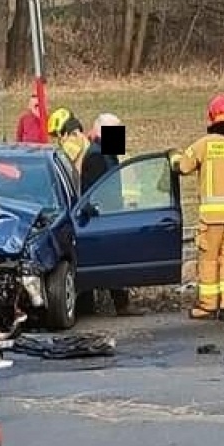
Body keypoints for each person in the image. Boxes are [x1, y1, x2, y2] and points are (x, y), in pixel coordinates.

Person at [171, 93, 224, 322]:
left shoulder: (204, 145)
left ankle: (208, 305)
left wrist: (172, 158)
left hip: (211, 218)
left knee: (208, 260)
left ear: (210, 118)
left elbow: (182, 166)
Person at [80, 113, 139, 315]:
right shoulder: (97, 155)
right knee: (110, 259)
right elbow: (98, 189)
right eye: (116, 131)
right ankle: (118, 304)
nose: (119, 136)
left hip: (107, 215)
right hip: (103, 217)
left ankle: (104, 304)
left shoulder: (104, 151)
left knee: (109, 259)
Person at [48, 106, 88, 174]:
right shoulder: (80, 137)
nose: (58, 139)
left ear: (61, 132)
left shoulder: (73, 141)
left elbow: (61, 165)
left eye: (57, 135)